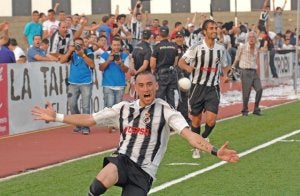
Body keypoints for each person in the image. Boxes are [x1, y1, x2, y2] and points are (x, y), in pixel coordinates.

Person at [31, 71, 239, 196]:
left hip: (144, 173)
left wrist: (213, 151)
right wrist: (56, 116)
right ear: (135, 88)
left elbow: (188, 135)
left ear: (156, 86)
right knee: (100, 181)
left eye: (150, 84)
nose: (146, 88)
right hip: (122, 160)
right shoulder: (123, 108)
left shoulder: (166, 111)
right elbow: (90, 119)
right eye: (141, 85)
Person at [178, 19, 230, 159]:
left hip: (213, 88)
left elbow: (225, 65)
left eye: (215, 28)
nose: (214, 30)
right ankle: (196, 147)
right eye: (211, 28)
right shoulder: (197, 47)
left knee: (211, 121)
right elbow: (181, 61)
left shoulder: (220, 48)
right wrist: (187, 67)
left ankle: (203, 138)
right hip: (197, 87)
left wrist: (225, 75)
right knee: (195, 121)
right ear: (205, 32)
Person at [61, 37, 95, 134]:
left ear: (84, 45)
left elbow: (92, 65)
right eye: (76, 44)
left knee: (86, 106)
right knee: (71, 104)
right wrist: (69, 52)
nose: (78, 46)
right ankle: (79, 123)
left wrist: (83, 55)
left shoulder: (88, 52)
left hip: (86, 82)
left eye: (80, 44)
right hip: (73, 83)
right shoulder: (72, 53)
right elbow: (62, 61)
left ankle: (86, 126)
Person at [231, 31, 263, 116]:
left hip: (254, 71)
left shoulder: (257, 47)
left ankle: (256, 108)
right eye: (250, 37)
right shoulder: (242, 47)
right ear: (247, 38)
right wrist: (232, 69)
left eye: (253, 37)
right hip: (245, 71)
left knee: (259, 89)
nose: (251, 38)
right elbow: (237, 59)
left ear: (255, 39)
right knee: (246, 92)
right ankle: (245, 110)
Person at [150, 26, 178, 108]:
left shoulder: (157, 47)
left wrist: (154, 72)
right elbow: (175, 62)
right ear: (168, 34)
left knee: (159, 98)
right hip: (171, 74)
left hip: (161, 75)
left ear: (159, 35)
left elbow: (152, 64)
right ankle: (171, 117)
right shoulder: (174, 46)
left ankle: (160, 117)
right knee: (171, 98)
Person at [99, 36, 129, 110]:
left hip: (120, 85)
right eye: (114, 45)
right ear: (111, 45)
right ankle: (107, 122)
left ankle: (116, 122)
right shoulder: (105, 55)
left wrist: (120, 63)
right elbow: (100, 68)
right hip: (108, 85)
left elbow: (126, 70)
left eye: (118, 45)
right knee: (108, 109)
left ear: (121, 46)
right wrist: (108, 60)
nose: (116, 47)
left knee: (118, 109)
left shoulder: (125, 55)